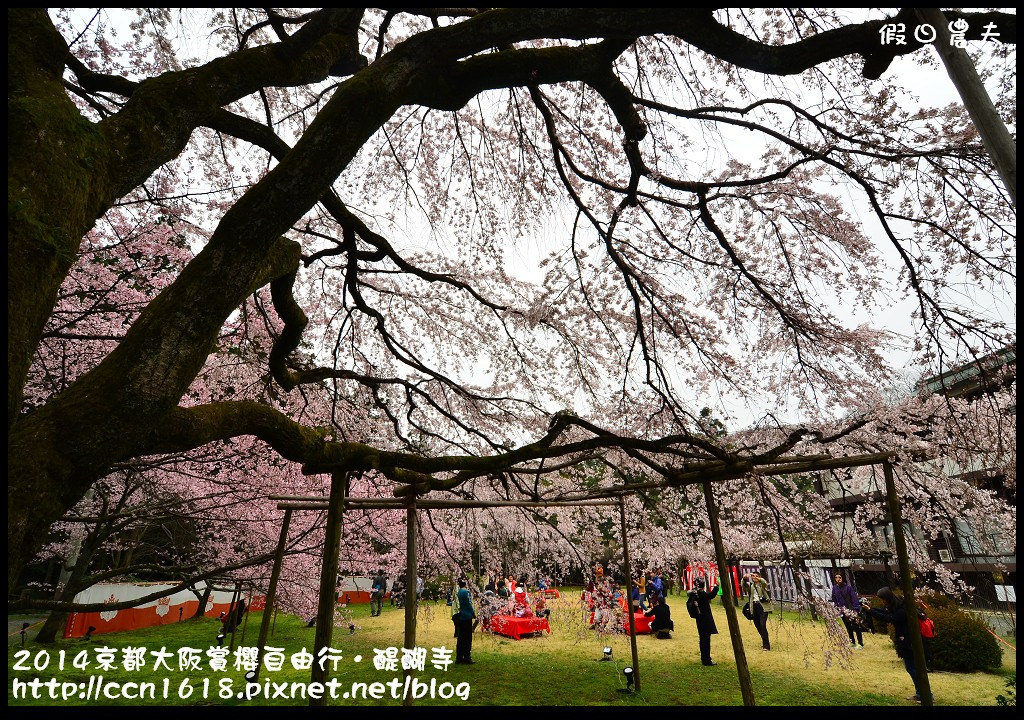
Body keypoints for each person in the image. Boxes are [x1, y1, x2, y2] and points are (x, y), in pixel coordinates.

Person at [864, 587, 931, 703]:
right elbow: (884, 611)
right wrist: (870, 609)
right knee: (913, 668)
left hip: (910, 642)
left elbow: (887, 618)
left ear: (887, 598)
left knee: (912, 668)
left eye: (883, 599)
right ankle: (921, 693)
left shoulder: (901, 610)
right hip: (907, 640)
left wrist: (871, 611)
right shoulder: (897, 604)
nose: (882, 602)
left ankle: (925, 694)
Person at [689, 577, 719, 665]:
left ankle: (704, 658)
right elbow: (711, 596)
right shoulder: (700, 593)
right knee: (706, 640)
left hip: (699, 618)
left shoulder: (694, 593)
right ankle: (706, 660)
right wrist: (717, 586)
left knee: (702, 638)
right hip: (705, 619)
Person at [830, 572, 863, 648]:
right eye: (836, 577)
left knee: (856, 626)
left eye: (839, 577)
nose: (838, 579)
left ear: (842, 578)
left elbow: (854, 598)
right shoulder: (835, 588)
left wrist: (855, 609)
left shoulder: (848, 588)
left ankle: (860, 643)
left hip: (850, 609)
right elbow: (834, 597)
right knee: (848, 627)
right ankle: (852, 641)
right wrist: (837, 606)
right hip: (842, 610)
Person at [743, 571, 772, 651]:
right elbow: (744, 586)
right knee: (758, 625)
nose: (754, 577)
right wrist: (744, 579)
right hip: (754, 607)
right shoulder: (751, 586)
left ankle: (766, 646)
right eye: (753, 576)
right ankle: (764, 641)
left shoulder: (762, 585)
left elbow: (765, 584)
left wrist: (759, 579)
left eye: (756, 576)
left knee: (762, 625)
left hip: (763, 607)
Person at [454, 578, 477, 664]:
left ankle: (459, 657)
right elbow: (469, 604)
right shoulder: (466, 592)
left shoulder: (459, 592)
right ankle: (467, 657)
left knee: (461, 637)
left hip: (462, 615)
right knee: (467, 638)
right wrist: (473, 613)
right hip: (467, 617)